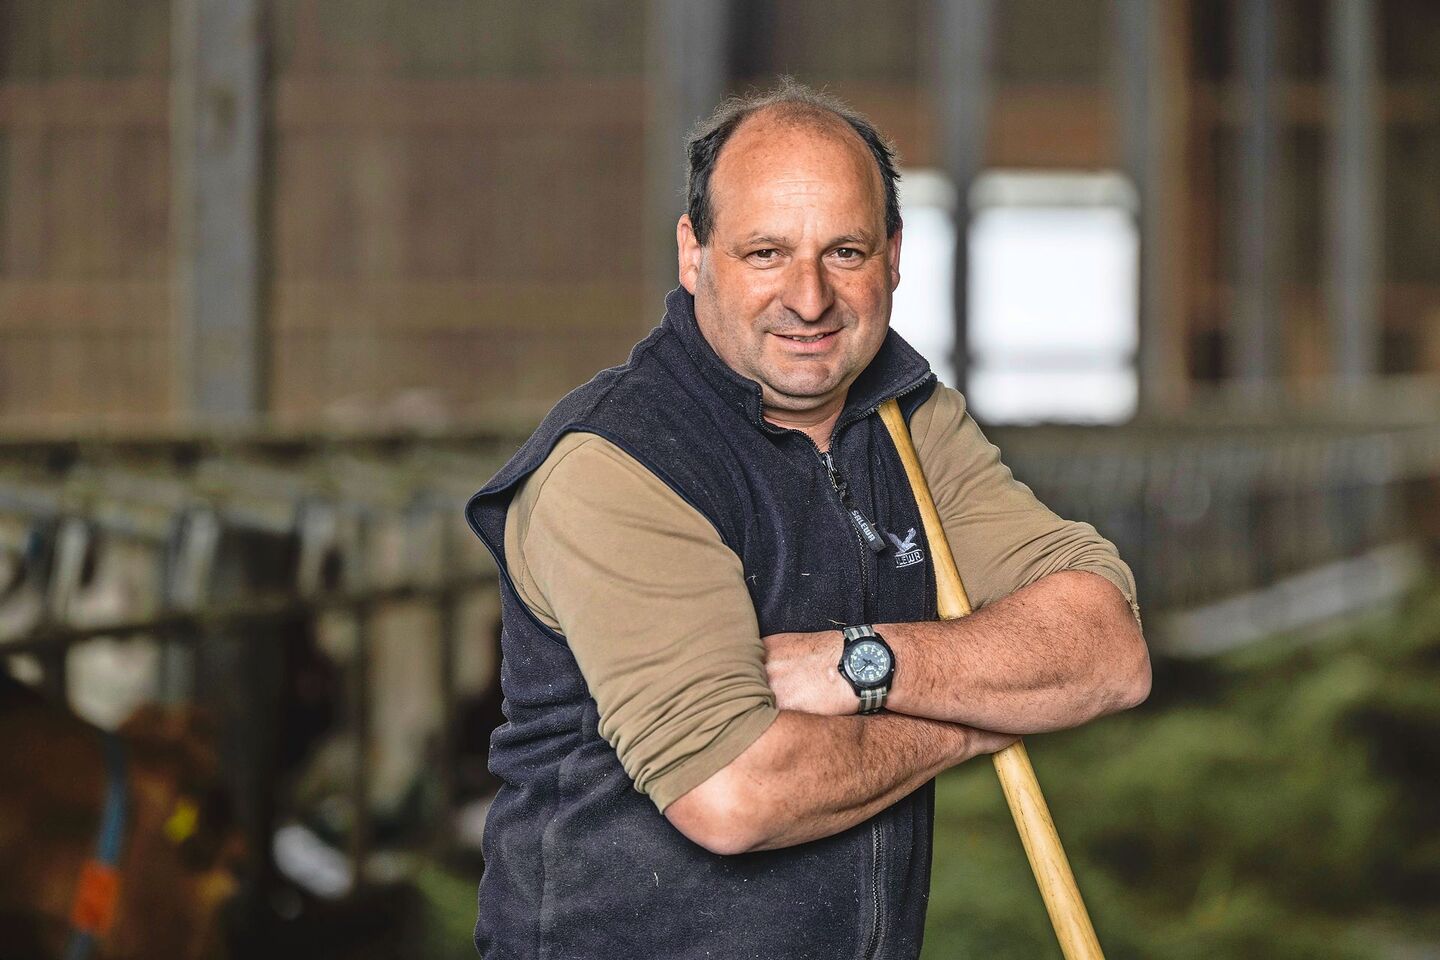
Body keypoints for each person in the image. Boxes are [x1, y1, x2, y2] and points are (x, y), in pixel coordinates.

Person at [464, 79, 1150, 960]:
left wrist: (857, 664)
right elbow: (734, 794)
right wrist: (982, 715)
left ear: (893, 256)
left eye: (845, 252)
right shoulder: (619, 462)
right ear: (694, 254)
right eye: (766, 253)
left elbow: (1107, 648)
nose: (811, 298)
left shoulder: (907, 424)